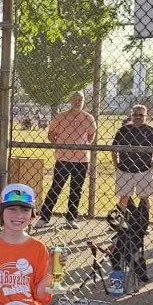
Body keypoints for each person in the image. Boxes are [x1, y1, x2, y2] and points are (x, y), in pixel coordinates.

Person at [35, 91, 97, 230]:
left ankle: (71, 217)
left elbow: (91, 135)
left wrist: (83, 146)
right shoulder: (61, 116)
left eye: (80, 99)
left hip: (81, 159)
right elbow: (51, 134)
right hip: (63, 158)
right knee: (56, 187)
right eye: (75, 99)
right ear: (70, 100)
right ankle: (45, 217)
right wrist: (60, 146)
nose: (77, 102)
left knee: (76, 189)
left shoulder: (88, 117)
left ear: (83, 101)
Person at [111, 104, 153, 220]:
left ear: (146, 116)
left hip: (144, 169)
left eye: (141, 115)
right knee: (124, 197)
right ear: (131, 115)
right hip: (124, 169)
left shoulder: (151, 131)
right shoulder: (123, 130)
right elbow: (113, 150)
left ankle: (143, 223)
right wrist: (116, 165)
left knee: (145, 198)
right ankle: (121, 221)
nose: (138, 117)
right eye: (135, 114)